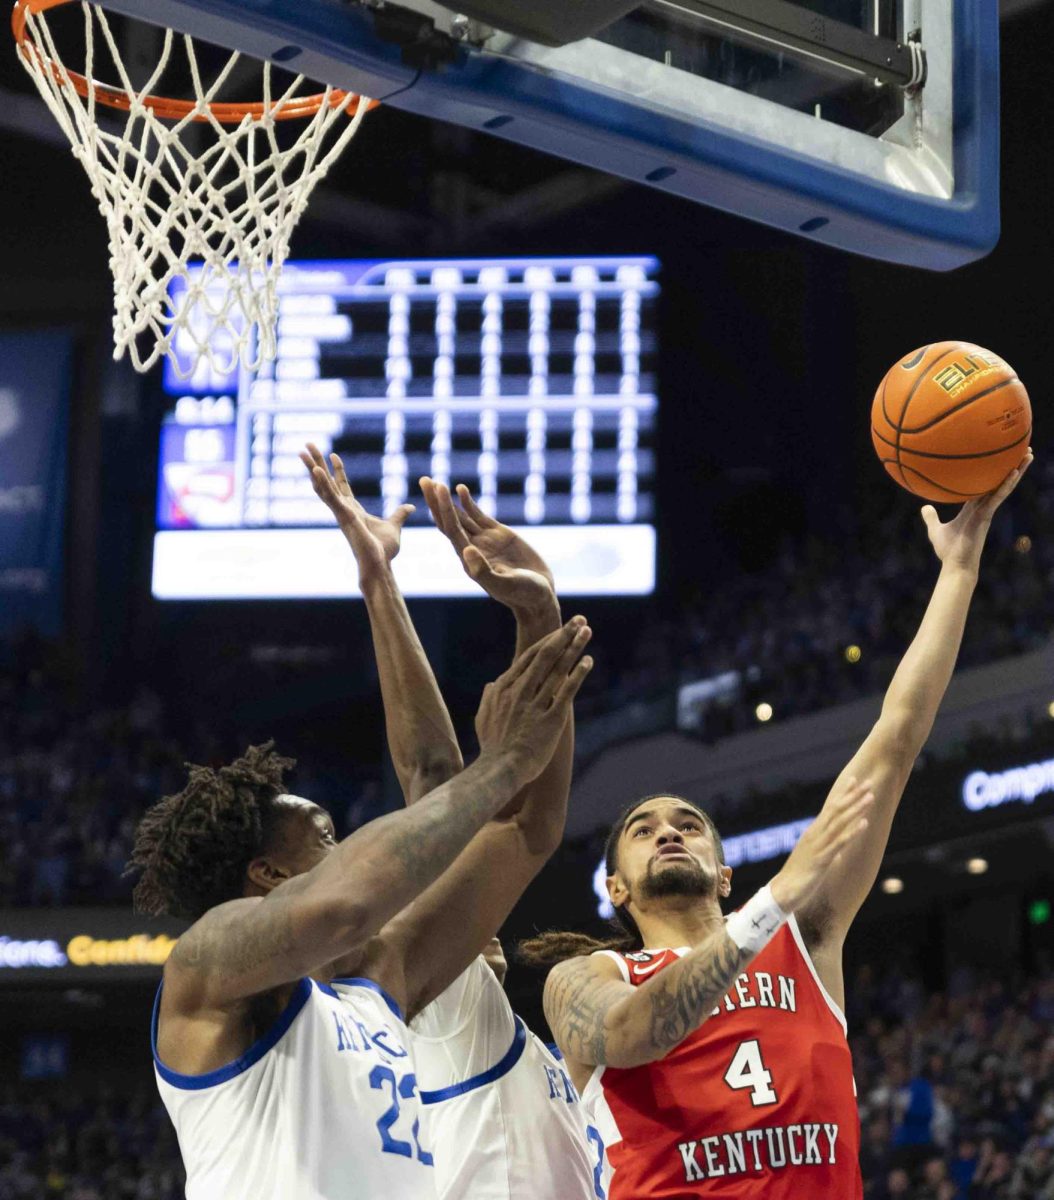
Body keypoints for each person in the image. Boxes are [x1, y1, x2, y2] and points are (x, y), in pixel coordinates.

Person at [528, 453, 1032, 1199]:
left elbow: (895, 739)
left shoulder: (808, 938)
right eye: (643, 829)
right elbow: (632, 1034)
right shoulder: (592, 978)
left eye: (689, 824)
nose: (670, 831)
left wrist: (958, 572)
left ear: (724, 873)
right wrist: (773, 900)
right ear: (616, 889)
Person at [128, 446, 594, 1200]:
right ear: (269, 877)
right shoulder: (207, 963)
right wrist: (503, 765)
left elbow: (523, 833)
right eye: (328, 838)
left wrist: (537, 614)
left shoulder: (383, 978)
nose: (360, 851)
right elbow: (350, 899)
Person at [310, 459, 602, 1200]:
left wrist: (378, 578)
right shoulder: (433, 1006)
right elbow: (444, 789)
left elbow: (436, 786)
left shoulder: (468, 1022)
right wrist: (537, 620)